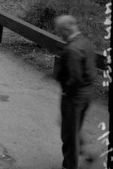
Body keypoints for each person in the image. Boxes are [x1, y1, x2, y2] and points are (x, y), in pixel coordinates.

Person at [54, 15, 97, 169]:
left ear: (66, 29)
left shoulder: (72, 49)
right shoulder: (85, 42)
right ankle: (86, 151)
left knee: (68, 134)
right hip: (87, 93)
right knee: (73, 127)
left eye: (60, 31)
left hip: (74, 96)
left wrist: (66, 93)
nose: (59, 34)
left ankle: (69, 165)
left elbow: (74, 77)